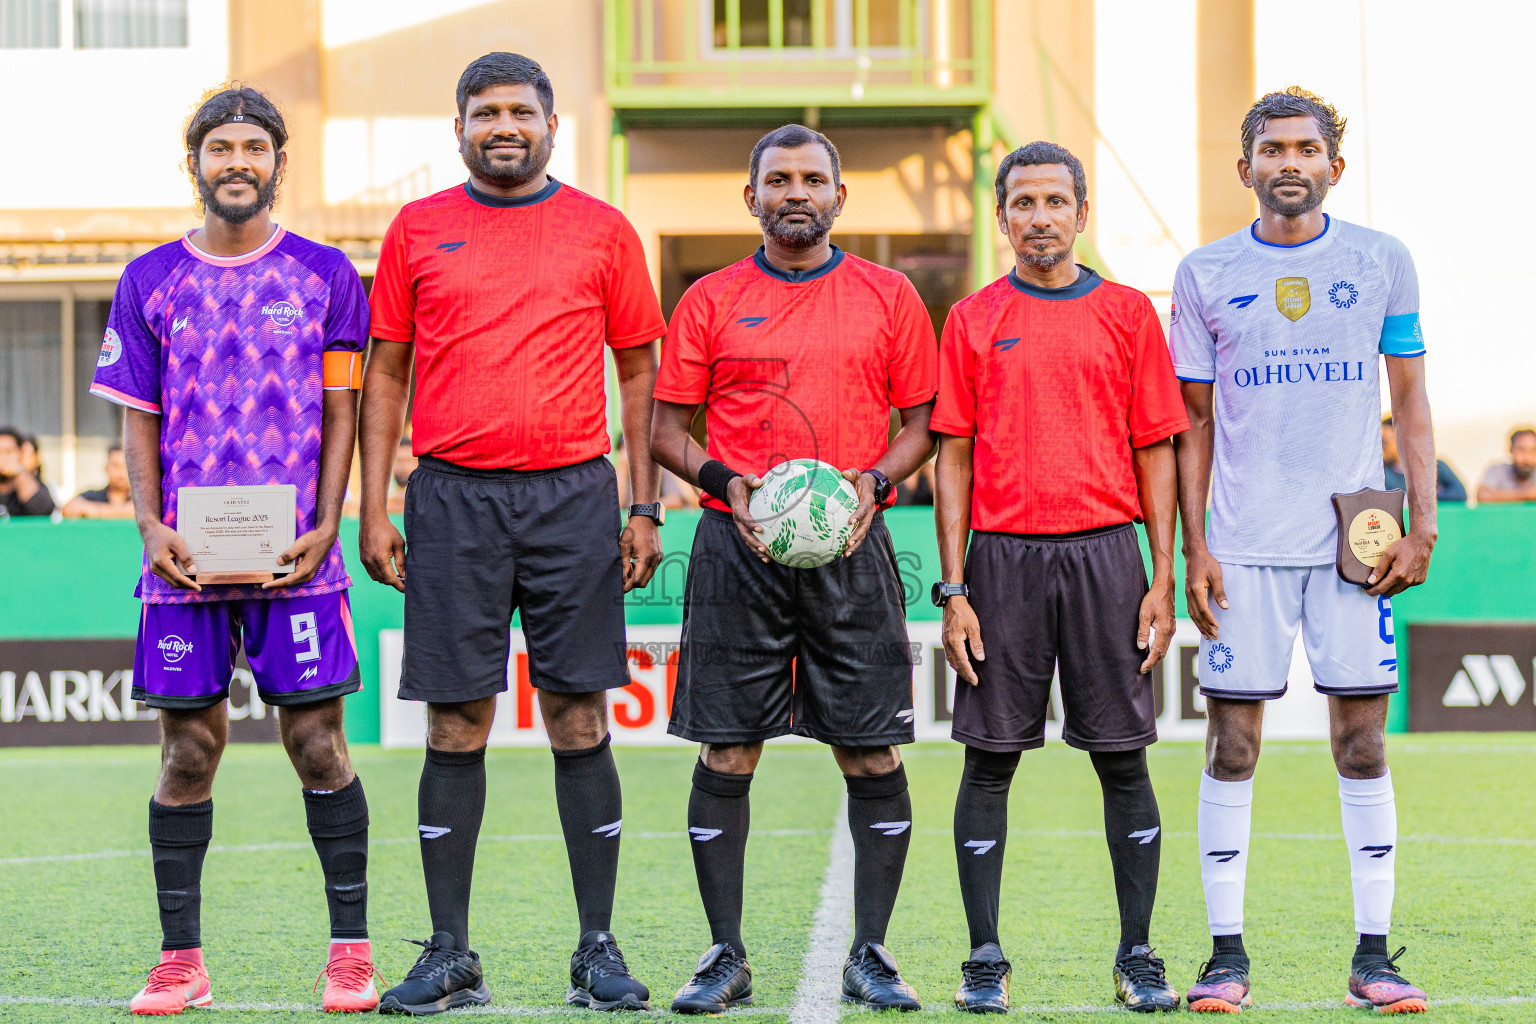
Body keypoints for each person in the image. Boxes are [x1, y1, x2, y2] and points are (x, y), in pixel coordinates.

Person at [357, 52, 667, 1015]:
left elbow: (642, 376)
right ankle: (450, 954)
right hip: (452, 497)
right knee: (456, 720)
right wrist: (376, 504)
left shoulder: (604, 231)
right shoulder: (418, 228)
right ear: (458, 128)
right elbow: (387, 375)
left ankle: (596, 950)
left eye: (520, 111)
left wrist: (644, 501)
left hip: (575, 496)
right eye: (484, 111)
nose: (504, 125)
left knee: (579, 714)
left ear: (550, 126)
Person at [87, 86, 378, 1014]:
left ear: (279, 164)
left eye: (255, 146)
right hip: (184, 561)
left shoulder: (327, 275)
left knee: (319, 744)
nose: (238, 161)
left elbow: (343, 409)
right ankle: (181, 963)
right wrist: (148, 524)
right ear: (196, 165)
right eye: (221, 148)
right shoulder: (148, 281)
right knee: (185, 756)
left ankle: (350, 954)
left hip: (297, 554)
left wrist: (331, 517)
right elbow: (139, 417)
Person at [651, 123, 938, 1013]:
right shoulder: (708, 299)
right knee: (727, 746)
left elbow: (924, 425)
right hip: (738, 548)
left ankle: (872, 953)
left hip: (853, 547)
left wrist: (871, 486)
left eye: (813, 178)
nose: (796, 192)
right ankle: (724, 954)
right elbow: (664, 431)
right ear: (752, 198)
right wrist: (727, 485)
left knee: (869, 747)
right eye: (778, 180)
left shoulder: (890, 296)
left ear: (840, 197)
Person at [1169, 87, 1434, 1014]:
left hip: (1356, 544)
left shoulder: (1381, 259)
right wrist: (1193, 547)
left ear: (1335, 165)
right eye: (1273, 149)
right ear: (1244, 168)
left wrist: (1424, 517)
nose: (1291, 162)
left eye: (1307, 148)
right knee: (1232, 745)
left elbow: (1411, 400)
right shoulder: (1203, 272)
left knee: (1362, 744)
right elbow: (1193, 422)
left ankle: (1374, 958)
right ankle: (1225, 957)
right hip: (1242, 545)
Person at [932, 142, 1186, 1014]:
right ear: (1001, 216)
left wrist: (1163, 578)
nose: (1038, 216)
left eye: (1054, 201)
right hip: (1002, 562)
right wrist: (954, 588)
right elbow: (952, 458)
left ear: (1083, 214)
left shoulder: (1126, 314)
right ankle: (984, 957)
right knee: (990, 762)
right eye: (1022, 202)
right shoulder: (969, 318)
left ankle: (1140, 953)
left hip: (1109, 557)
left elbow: (1156, 449)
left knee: (1123, 760)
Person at [1381, 416, 1463, 502]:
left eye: (1385, 442)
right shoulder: (1383, 472)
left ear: (1401, 440)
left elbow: (1460, 493)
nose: (1382, 447)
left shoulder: (1435, 466)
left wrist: (1425, 499)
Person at [63, 444, 137, 518]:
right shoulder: (92, 496)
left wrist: (95, 510)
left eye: (125, 467)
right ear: (106, 468)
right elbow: (68, 508)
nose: (121, 473)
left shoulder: (141, 498)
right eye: (115, 466)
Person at [0, 426, 56, 517]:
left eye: (8, 452)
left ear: (21, 453)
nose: (2, 458)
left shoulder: (32, 483)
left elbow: (44, 511)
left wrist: (19, 471)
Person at [1474, 427, 1536, 503]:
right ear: (1511, 450)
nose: (1527, 457)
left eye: (1533, 450)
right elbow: (1482, 495)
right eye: (1521, 450)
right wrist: (1527, 494)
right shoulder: (1498, 470)